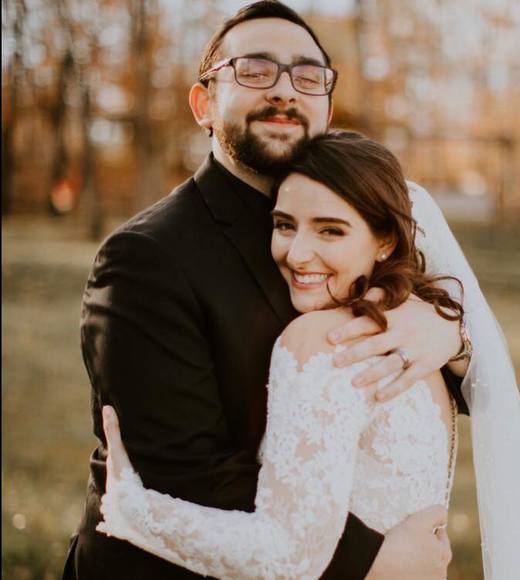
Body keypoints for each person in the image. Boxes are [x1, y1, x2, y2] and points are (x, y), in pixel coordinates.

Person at [62, 2, 472, 579]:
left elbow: (452, 396)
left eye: (308, 76)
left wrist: (452, 335)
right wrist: (378, 559)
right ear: (204, 105)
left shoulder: (380, 223)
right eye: (254, 71)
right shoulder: (144, 258)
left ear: (327, 107)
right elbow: (184, 474)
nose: (284, 90)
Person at [98, 131, 520, 579]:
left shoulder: (323, 342)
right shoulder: (423, 338)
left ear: (385, 240)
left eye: (330, 231)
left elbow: (287, 555)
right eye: (285, 225)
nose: (298, 253)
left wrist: (134, 511)